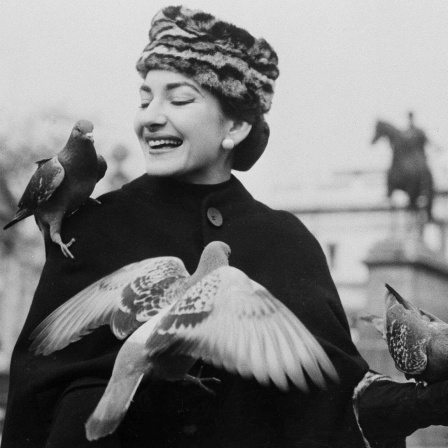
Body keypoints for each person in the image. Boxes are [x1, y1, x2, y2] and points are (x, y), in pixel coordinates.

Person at [2, 6, 448, 448]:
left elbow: (332, 399)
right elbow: (37, 395)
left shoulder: (288, 242)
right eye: (144, 98)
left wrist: (413, 404)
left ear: (234, 124)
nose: (150, 116)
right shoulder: (94, 227)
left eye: (178, 99)